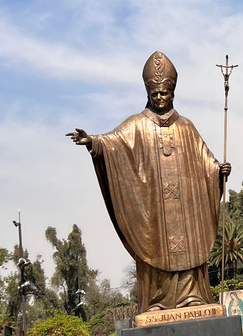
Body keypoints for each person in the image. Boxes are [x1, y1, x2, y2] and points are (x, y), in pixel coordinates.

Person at [68, 51, 231, 313]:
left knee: (189, 247)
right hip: (155, 210)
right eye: (154, 94)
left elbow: (205, 161)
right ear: (148, 94)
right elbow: (114, 142)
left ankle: (193, 298)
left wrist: (217, 171)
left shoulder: (186, 127)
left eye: (163, 94)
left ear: (172, 93)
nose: (159, 98)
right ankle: (158, 302)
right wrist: (93, 142)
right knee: (154, 248)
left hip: (185, 213)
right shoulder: (137, 125)